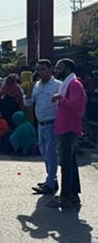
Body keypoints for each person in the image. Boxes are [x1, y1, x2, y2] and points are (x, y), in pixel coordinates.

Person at [47, 59, 87, 208]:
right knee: (69, 163)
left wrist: (60, 99)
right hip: (64, 127)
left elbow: (77, 106)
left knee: (65, 163)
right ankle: (72, 194)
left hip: (69, 129)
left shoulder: (74, 84)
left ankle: (66, 197)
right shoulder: (68, 84)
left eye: (59, 67)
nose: (56, 70)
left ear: (68, 69)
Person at [25, 60, 62, 196]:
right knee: (44, 153)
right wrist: (31, 84)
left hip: (52, 123)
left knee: (51, 154)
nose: (40, 72)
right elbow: (28, 102)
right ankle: (51, 179)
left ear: (50, 69)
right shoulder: (37, 86)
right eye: (38, 69)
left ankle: (50, 183)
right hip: (40, 124)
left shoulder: (58, 85)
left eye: (43, 69)